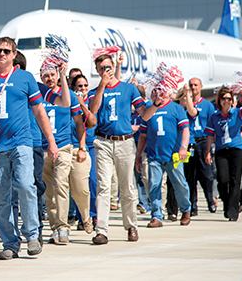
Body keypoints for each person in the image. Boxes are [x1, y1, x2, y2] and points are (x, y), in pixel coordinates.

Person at [0, 37, 62, 260]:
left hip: (22, 142)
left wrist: (51, 141)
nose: (1, 54)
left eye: (6, 51)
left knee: (27, 186)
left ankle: (32, 234)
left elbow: (39, 111)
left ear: (14, 54)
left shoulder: (25, 78)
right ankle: (10, 243)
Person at [88, 53, 157, 245]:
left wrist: (157, 104)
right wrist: (102, 84)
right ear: (97, 70)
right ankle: (101, 230)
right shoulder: (95, 91)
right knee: (103, 186)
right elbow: (92, 111)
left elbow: (144, 114)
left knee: (127, 186)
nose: (105, 71)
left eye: (107, 67)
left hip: (125, 141)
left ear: (113, 66)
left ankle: (131, 225)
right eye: (101, 68)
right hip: (103, 141)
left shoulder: (129, 89)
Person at [136, 87, 192, 227]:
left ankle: (185, 209)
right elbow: (143, 135)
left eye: (160, 90)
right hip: (154, 155)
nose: (157, 93)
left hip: (173, 156)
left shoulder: (176, 108)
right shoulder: (149, 109)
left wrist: (183, 147)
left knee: (179, 184)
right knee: (154, 185)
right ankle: (156, 216)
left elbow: (185, 129)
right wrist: (138, 156)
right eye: (154, 90)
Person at [39, 65, 82, 245]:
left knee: (61, 184)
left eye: (52, 75)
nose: (49, 78)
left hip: (63, 146)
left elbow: (79, 121)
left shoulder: (68, 95)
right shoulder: (39, 94)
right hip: (43, 148)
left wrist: (81, 146)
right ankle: (55, 227)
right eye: (45, 76)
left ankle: (63, 226)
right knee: (49, 191)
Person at [204, 85, 242, 221]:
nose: (226, 101)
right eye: (223, 98)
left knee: (235, 180)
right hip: (221, 151)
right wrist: (208, 152)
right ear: (219, 100)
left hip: (237, 150)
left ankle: (233, 211)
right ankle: (228, 204)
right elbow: (209, 135)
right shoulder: (214, 117)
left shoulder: (237, 113)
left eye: (228, 98)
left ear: (232, 100)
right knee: (222, 179)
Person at [184, 78, 217, 215]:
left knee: (206, 175)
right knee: (190, 176)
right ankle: (193, 206)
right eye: (191, 85)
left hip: (203, 141)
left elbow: (212, 125)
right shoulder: (186, 104)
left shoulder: (208, 105)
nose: (193, 87)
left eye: (196, 85)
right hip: (190, 141)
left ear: (201, 87)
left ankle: (210, 200)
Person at [70, 74, 97, 233]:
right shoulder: (69, 102)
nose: (83, 89)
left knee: (92, 182)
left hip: (90, 146)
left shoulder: (90, 102)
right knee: (77, 185)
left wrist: (83, 105)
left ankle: (93, 215)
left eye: (85, 85)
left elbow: (91, 121)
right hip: (74, 146)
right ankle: (81, 218)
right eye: (80, 86)